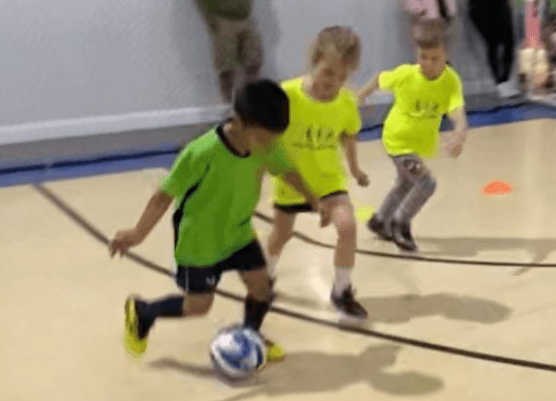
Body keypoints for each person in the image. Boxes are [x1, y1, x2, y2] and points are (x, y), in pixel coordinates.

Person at [110, 81, 321, 359]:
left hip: (238, 233)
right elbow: (164, 195)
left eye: (273, 140)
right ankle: (144, 312)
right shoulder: (202, 152)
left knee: (261, 286)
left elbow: (286, 170)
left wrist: (313, 197)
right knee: (199, 306)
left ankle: (250, 336)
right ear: (238, 122)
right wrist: (137, 234)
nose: (269, 146)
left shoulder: (266, 145)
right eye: (264, 139)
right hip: (200, 243)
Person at [264, 27, 369, 322]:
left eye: (342, 76)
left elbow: (348, 134)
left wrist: (355, 168)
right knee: (281, 235)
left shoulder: (346, 102)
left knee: (347, 228)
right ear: (314, 62)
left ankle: (342, 290)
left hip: (329, 181)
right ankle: (265, 276)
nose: (333, 82)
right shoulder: (287, 95)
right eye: (328, 72)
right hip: (293, 182)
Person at [358, 20, 469, 252]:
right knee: (426, 183)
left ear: (445, 56)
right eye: (423, 57)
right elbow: (379, 78)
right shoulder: (406, 75)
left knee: (406, 183)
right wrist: (362, 96)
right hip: (398, 141)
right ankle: (400, 223)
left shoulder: (451, 81)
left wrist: (459, 133)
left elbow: (456, 110)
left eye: (434, 58)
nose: (428, 63)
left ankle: (380, 220)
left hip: (416, 145)